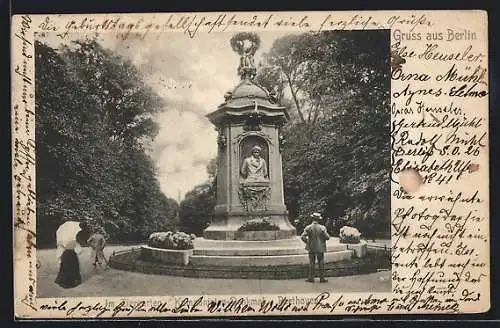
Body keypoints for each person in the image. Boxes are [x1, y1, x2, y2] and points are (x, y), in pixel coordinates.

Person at [301, 212, 331, 283]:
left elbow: (302, 237)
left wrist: (307, 242)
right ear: (319, 220)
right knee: (321, 262)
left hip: (311, 247)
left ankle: (311, 278)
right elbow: (327, 237)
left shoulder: (308, 227)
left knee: (311, 262)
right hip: (320, 247)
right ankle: (322, 278)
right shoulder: (322, 228)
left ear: (312, 219)